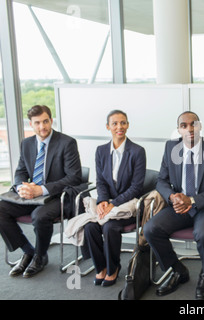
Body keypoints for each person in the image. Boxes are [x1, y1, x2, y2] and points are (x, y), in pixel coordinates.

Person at [144, 111, 204, 300]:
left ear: (200, 126)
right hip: (178, 206)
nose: (190, 129)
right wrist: (172, 197)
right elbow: (161, 180)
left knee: (203, 233)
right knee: (150, 229)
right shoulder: (171, 147)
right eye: (184, 125)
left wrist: (192, 201)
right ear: (178, 129)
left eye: (194, 124)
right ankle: (177, 270)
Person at [0, 105, 82, 278]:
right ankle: (28, 251)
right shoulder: (27, 143)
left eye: (45, 121)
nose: (42, 127)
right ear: (31, 124)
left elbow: (74, 177)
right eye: (37, 123)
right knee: (1, 209)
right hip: (32, 197)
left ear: (51, 121)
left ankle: (40, 256)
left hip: (58, 197)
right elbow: (21, 171)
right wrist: (22, 187)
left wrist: (42, 189)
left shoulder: (67, 143)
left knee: (40, 216)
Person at [83, 110, 146, 287]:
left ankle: (113, 268)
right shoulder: (101, 151)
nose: (120, 127)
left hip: (127, 207)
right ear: (108, 126)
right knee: (90, 227)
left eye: (123, 123)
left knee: (110, 228)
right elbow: (100, 180)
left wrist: (113, 203)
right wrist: (103, 201)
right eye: (115, 123)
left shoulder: (137, 151)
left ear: (128, 125)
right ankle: (100, 268)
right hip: (108, 204)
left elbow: (136, 187)